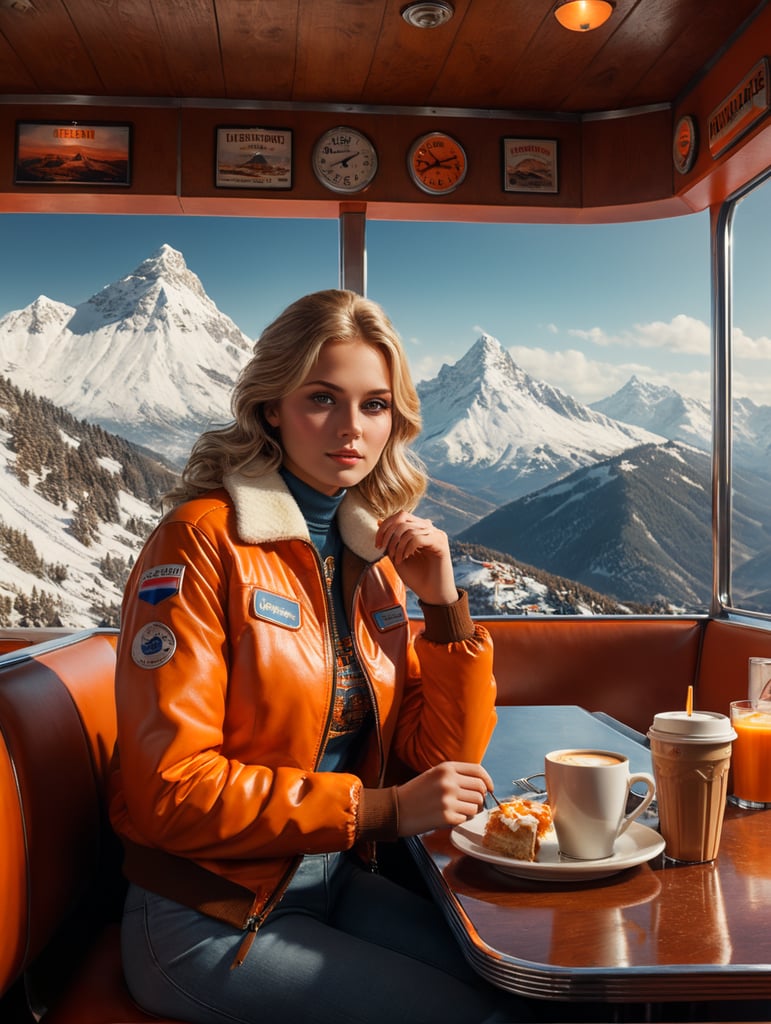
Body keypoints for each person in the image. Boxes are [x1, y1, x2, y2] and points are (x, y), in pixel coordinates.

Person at [108, 289, 528, 1024]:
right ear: (272, 407)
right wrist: (381, 809)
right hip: (204, 913)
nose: (351, 430)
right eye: (322, 399)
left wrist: (443, 607)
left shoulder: (374, 553)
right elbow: (171, 790)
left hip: (329, 882)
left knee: (522, 989)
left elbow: (437, 762)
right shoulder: (201, 542)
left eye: (374, 405)